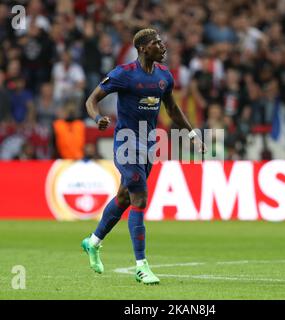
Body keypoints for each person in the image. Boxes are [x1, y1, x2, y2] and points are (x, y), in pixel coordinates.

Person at [81, 29, 206, 285]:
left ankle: (92, 242)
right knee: (140, 197)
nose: (163, 46)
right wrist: (97, 118)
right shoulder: (123, 74)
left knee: (124, 197)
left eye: (162, 41)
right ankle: (141, 266)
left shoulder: (163, 77)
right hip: (126, 143)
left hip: (149, 144)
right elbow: (92, 100)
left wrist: (192, 136)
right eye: (156, 43)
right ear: (142, 48)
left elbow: (171, 108)